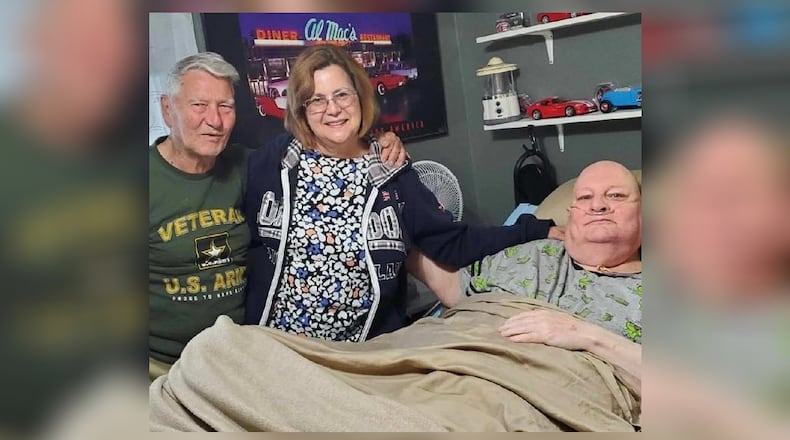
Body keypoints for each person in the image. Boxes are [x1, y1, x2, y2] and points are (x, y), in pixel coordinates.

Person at [244, 44, 561, 343]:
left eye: (342, 95)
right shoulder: (273, 163)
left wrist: (536, 228)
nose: (333, 109)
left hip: (366, 351)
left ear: (360, 97)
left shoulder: (393, 173)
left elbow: (454, 243)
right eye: (317, 100)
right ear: (302, 108)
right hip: (279, 347)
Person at [149, 52, 407, 377]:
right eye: (199, 105)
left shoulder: (253, 167)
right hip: (164, 366)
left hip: (241, 356)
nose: (214, 121)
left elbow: (325, 142)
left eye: (225, 107)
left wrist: (378, 140)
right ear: (168, 109)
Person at [411, 160, 643, 395]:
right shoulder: (530, 252)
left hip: (524, 399)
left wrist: (585, 335)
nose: (598, 205)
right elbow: (455, 290)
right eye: (584, 198)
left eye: (615, 195)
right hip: (432, 365)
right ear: (570, 215)